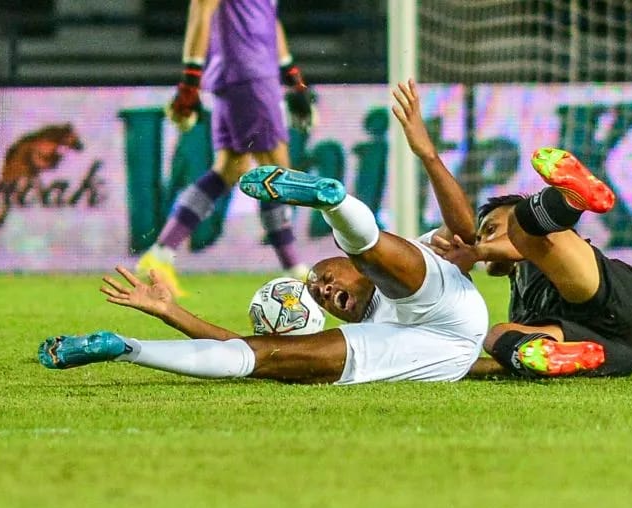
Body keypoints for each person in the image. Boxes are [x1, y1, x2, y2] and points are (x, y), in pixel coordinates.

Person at [37, 106, 489, 384]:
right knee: (270, 361)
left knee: (381, 261)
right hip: (417, 354)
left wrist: (429, 156)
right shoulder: (358, 327)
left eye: (326, 278)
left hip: (449, 316)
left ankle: (332, 200)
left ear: (339, 261)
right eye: (322, 296)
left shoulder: (422, 251)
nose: (328, 292)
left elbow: (466, 231)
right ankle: (122, 347)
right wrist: (168, 313)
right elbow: (243, 346)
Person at [391, 79, 632, 378]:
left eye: (490, 227)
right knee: (498, 334)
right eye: (482, 235)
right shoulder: (522, 305)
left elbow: (501, 239)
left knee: (525, 229)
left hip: (608, 296)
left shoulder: (532, 246)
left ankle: (570, 201)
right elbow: (484, 362)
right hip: (607, 351)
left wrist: (429, 156)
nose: (484, 238)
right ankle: (554, 355)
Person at [135, 0, 316, 297]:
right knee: (279, 172)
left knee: (230, 168)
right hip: (250, 73)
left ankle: (161, 252)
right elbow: (201, 8)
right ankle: (296, 272)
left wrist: (292, 77)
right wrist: (190, 80)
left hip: (245, 74)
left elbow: (269, 18)